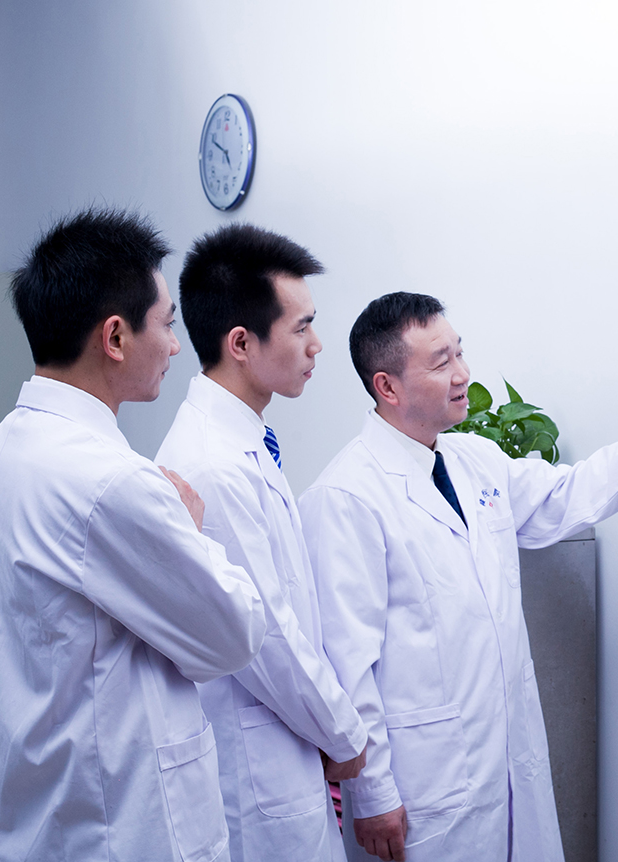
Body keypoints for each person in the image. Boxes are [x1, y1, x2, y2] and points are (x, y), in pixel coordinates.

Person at [298, 292, 618, 862]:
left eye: (460, 353)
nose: (462, 375)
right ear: (387, 387)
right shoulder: (345, 497)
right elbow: (348, 666)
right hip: (423, 787)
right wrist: (372, 794)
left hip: (505, 764)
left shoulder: (473, 460)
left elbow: (567, 496)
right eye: (441, 362)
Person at [0, 208, 268, 862]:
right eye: (166, 324)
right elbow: (235, 633)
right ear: (115, 336)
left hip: (35, 811)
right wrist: (189, 527)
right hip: (117, 826)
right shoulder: (112, 482)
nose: (175, 346)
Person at [156, 224, 369, 862]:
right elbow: (267, 636)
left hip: (282, 750)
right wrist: (345, 736)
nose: (317, 345)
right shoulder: (213, 464)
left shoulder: (244, 440)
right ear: (242, 343)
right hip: (256, 772)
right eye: (301, 328)